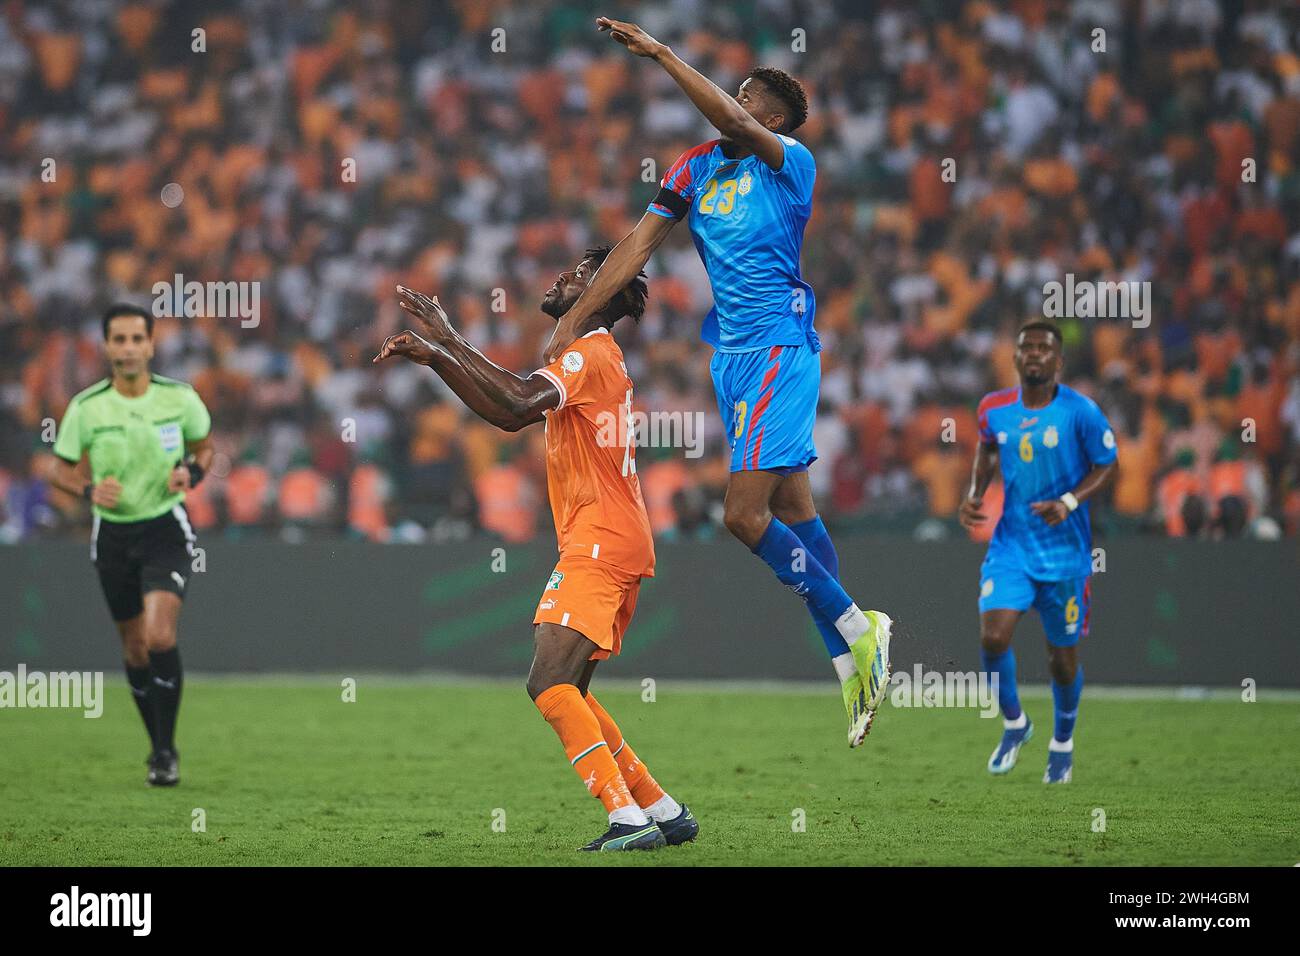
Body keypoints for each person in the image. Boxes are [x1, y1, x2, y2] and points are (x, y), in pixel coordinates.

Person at [543, 16, 891, 748]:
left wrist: (663, 52)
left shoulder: (788, 161)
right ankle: (848, 659)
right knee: (793, 506)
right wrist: (574, 318)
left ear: (771, 117)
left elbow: (728, 114)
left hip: (777, 349)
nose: (732, 103)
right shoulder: (696, 167)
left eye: (745, 97)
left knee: (742, 516)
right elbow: (637, 245)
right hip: (731, 359)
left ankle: (862, 629)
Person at [374, 248, 696, 851]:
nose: (561, 274)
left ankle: (627, 818)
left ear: (599, 290)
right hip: (609, 535)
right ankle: (660, 806)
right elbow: (507, 410)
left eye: (578, 271)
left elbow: (519, 404)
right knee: (568, 687)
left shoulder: (589, 351)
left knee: (546, 681)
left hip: (600, 538)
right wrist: (442, 346)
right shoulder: (588, 354)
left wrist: (442, 350)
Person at [46, 304, 213, 786]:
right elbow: (59, 467)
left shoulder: (179, 400)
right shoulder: (87, 407)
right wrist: (86, 491)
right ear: (106, 347)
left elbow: (205, 446)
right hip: (113, 535)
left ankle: (164, 751)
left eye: (136, 339)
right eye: (118, 340)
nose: (128, 348)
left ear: (151, 344)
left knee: (160, 637)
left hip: (164, 528)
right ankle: (158, 745)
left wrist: (193, 472)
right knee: (135, 649)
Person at [959, 321, 1119, 784]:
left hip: (1065, 555)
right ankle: (1015, 725)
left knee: (1061, 659)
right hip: (1012, 545)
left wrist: (1069, 502)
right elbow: (988, 449)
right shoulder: (994, 409)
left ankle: (1062, 743)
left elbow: (1107, 464)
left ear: (1058, 361)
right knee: (992, 637)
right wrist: (975, 492)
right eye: (1025, 347)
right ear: (1015, 358)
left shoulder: (1081, 413)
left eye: (1043, 349)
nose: (1033, 354)